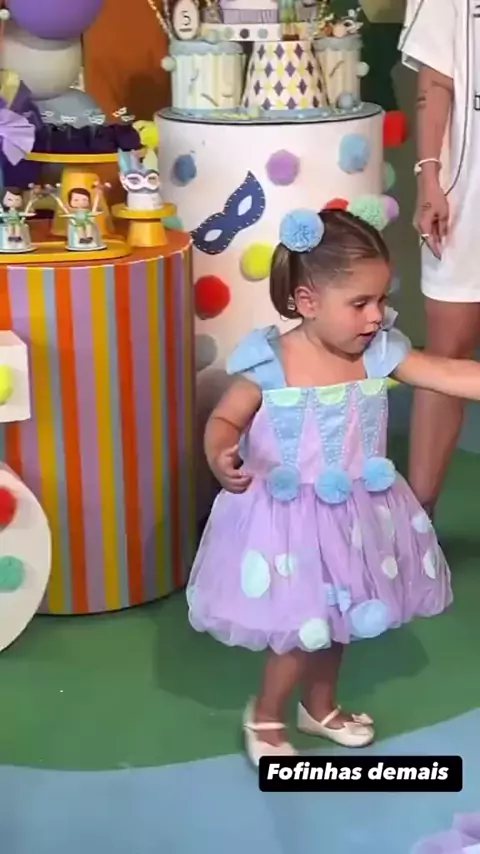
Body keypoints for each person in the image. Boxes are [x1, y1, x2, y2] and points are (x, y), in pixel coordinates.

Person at [187, 207, 480, 767]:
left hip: (357, 515)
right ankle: (266, 713)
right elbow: (226, 419)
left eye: (381, 299)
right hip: (289, 522)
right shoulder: (271, 361)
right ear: (307, 301)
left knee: (341, 617)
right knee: (302, 630)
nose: (376, 315)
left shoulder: (379, 352)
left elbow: (447, 373)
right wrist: (220, 452)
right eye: (360, 303)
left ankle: (319, 707)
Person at [399, 0, 475, 518]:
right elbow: (436, 76)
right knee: (447, 350)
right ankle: (416, 521)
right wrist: (429, 178)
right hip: (468, 194)